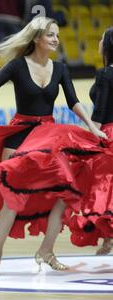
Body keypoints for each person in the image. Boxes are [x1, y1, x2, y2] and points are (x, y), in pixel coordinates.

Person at [0, 17, 107, 275]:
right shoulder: (17, 66)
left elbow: (73, 101)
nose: (56, 39)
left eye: (57, 35)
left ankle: (47, 250)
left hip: (48, 138)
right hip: (19, 137)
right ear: (37, 38)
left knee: (65, 196)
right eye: (51, 35)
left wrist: (93, 127)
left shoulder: (61, 68)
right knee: (13, 199)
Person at [66, 27, 113, 256]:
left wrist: (89, 133)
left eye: (102, 39)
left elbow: (101, 109)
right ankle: (108, 240)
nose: (99, 41)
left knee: (101, 187)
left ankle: (107, 239)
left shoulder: (105, 74)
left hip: (108, 134)